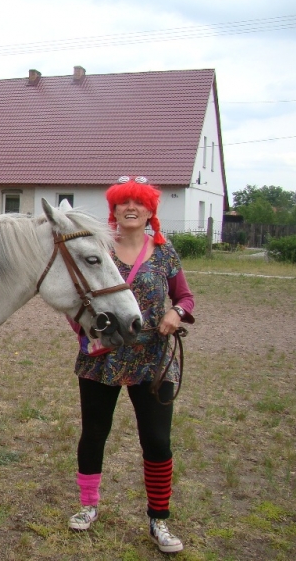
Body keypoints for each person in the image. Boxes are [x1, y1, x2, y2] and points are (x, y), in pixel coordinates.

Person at [68, 175, 195, 555]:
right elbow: (77, 298)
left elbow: (186, 297)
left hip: (153, 361)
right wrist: (83, 327)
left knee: (157, 440)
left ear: (150, 210)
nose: (131, 208)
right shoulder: (99, 248)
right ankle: (88, 507)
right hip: (102, 360)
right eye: (123, 202)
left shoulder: (165, 251)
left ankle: (159, 519)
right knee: (94, 433)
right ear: (114, 209)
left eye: (138, 202)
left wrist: (175, 312)